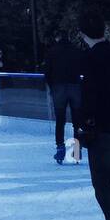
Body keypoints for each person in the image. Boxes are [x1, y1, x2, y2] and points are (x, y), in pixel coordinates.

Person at [73, 9, 110, 220]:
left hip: (105, 130)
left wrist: (84, 122)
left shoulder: (90, 60)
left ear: (82, 34)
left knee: (105, 184)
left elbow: (90, 97)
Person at [42, 33, 85, 165]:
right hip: (75, 87)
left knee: (60, 120)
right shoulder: (76, 51)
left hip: (59, 88)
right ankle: (77, 151)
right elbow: (83, 68)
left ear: (58, 38)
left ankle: (60, 148)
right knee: (77, 121)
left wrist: (52, 87)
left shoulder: (52, 52)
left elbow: (47, 72)